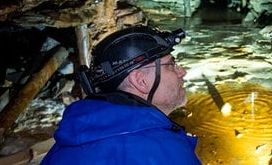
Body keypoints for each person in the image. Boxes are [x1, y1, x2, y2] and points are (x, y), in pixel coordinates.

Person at [42, 26, 201, 164]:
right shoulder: (166, 152)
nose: (182, 72)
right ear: (141, 81)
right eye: (172, 65)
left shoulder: (67, 142)